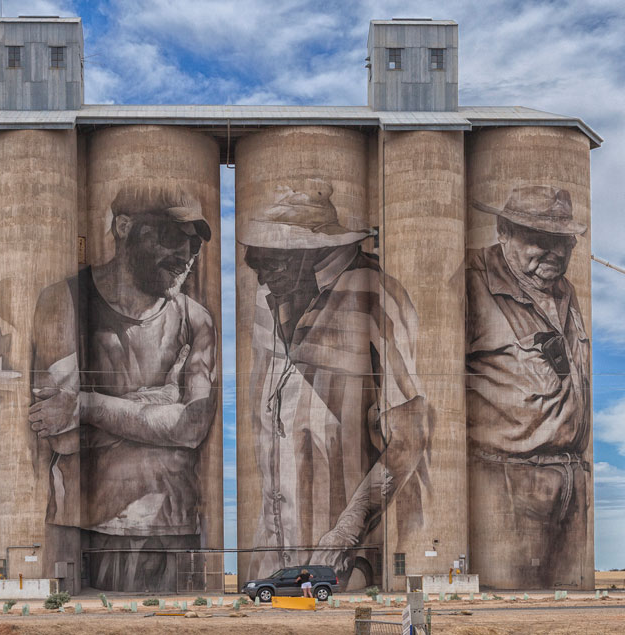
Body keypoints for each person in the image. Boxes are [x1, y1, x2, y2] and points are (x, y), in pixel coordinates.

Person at [239, 179, 429, 585]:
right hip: (272, 551)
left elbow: (411, 435)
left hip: (345, 557)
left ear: (312, 253)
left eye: (271, 262)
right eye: (256, 264)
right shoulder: (268, 300)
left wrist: (347, 532)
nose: (260, 276)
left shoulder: (376, 295)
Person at [29, 184, 218, 592]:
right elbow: (62, 436)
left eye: (194, 245)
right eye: (171, 236)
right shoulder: (64, 301)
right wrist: (163, 398)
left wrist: (87, 404)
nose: (185, 256)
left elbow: (192, 426)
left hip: (176, 526)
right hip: (88, 528)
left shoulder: (195, 318)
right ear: (124, 226)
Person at [467, 185, 590, 587]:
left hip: (572, 481)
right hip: (507, 485)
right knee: (506, 601)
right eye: (540, 239)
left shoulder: (565, 292)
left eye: (563, 241)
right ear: (503, 231)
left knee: (570, 610)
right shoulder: (469, 283)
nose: (555, 252)